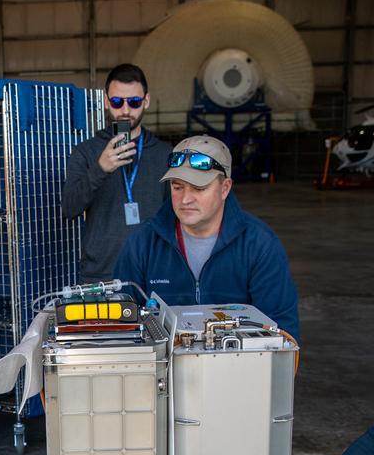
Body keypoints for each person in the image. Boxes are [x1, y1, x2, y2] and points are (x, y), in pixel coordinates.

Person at [113, 135, 300, 339]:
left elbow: (283, 333)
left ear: (225, 188)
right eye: (177, 187)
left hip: (239, 367)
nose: (185, 199)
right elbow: (121, 323)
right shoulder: (143, 244)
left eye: (199, 188)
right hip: (162, 369)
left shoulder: (259, 246)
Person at [61, 63, 172, 283]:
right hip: (100, 275)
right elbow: (69, 208)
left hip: (153, 274)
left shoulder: (164, 154)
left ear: (146, 101)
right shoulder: (86, 151)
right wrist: (100, 169)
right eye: (116, 101)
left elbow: (176, 215)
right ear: (106, 101)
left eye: (134, 102)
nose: (125, 110)